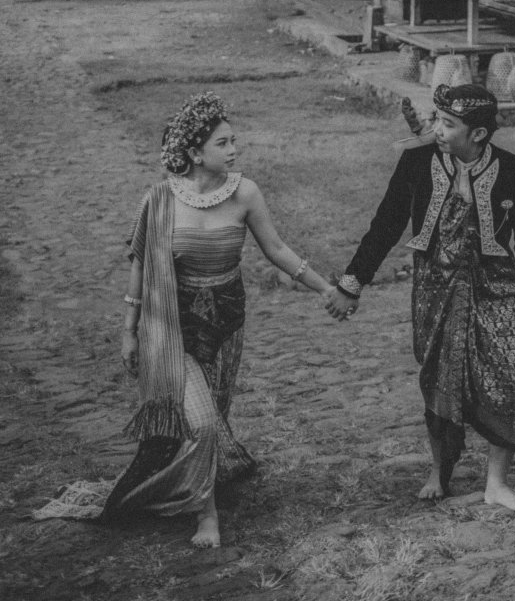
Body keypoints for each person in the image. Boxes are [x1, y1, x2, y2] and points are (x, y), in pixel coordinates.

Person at [36, 91, 333, 546]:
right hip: (171, 328)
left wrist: (325, 288)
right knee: (202, 423)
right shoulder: (159, 200)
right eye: (222, 143)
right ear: (195, 153)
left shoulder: (246, 193)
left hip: (226, 323)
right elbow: (140, 267)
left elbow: (277, 249)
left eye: (234, 141)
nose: (233, 150)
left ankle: (194, 483)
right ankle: (205, 516)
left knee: (213, 416)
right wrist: (129, 332)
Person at [325, 83, 515, 515]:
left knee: (511, 377)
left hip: (497, 290)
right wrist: (351, 284)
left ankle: (497, 484)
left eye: (448, 124)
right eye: (436, 119)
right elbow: (386, 224)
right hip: (435, 290)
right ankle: (439, 469)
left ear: (478, 134)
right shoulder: (417, 163)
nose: (436, 130)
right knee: (439, 377)